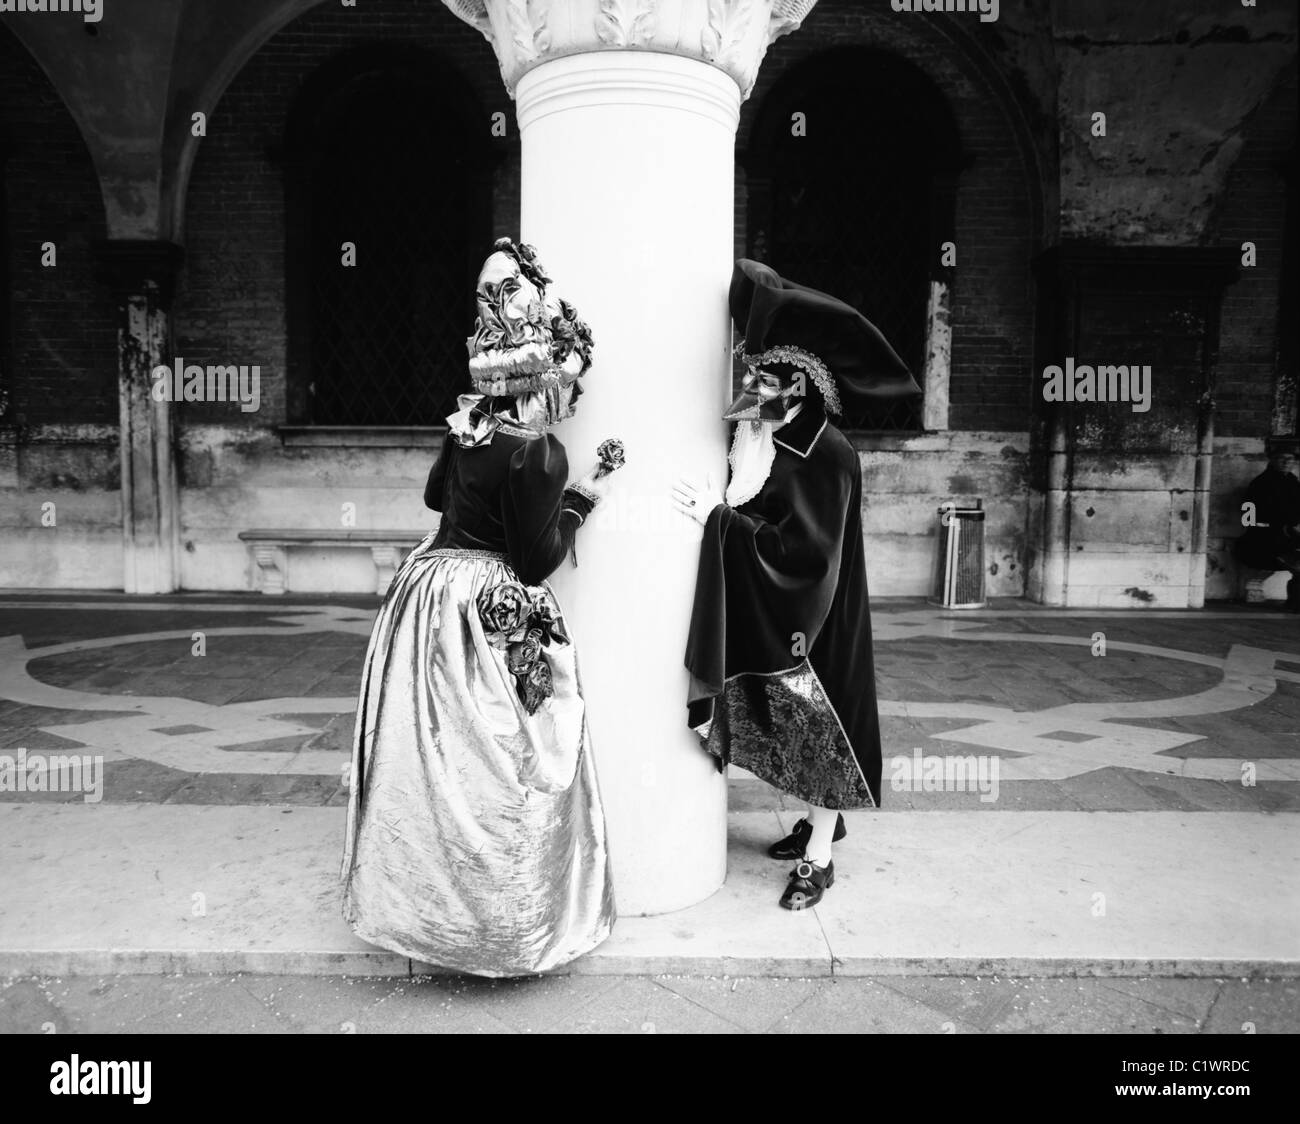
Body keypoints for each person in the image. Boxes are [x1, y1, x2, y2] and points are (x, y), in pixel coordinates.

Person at [341, 238, 616, 975]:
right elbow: (533, 562)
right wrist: (584, 497)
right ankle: (503, 929)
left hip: (427, 592)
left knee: (434, 759)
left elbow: (437, 499)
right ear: (552, 378)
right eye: (572, 382)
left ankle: (423, 910)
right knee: (514, 761)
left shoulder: (468, 425)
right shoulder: (539, 451)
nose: (573, 396)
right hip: (488, 604)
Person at [671, 259, 920, 910]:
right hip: (791, 618)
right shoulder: (766, 439)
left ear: (790, 387)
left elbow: (807, 557)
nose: (743, 394)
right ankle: (819, 823)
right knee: (800, 732)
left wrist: (718, 521)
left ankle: (819, 860)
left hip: (820, 622)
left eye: (756, 382)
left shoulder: (825, 451)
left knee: (820, 735)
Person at [1235, 447, 1300, 612]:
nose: (1287, 462)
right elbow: (1248, 515)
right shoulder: (1261, 483)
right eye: (1281, 458)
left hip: (1289, 538)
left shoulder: (1292, 481)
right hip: (1266, 541)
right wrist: (1271, 527)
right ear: (1272, 460)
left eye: (1290, 459)